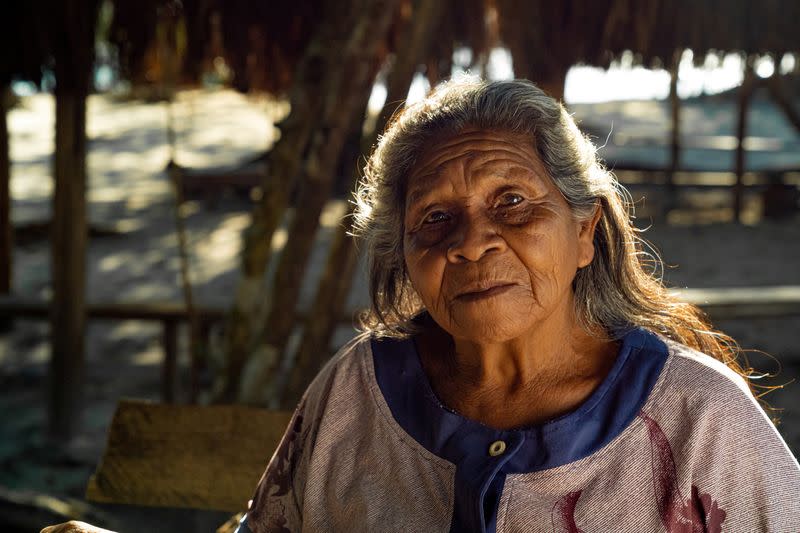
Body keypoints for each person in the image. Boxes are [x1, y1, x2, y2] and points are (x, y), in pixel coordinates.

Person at [238, 77, 800, 532]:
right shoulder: (355, 390)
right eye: (435, 218)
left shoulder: (699, 416)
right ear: (403, 254)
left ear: (584, 231)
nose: (471, 242)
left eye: (511, 202)